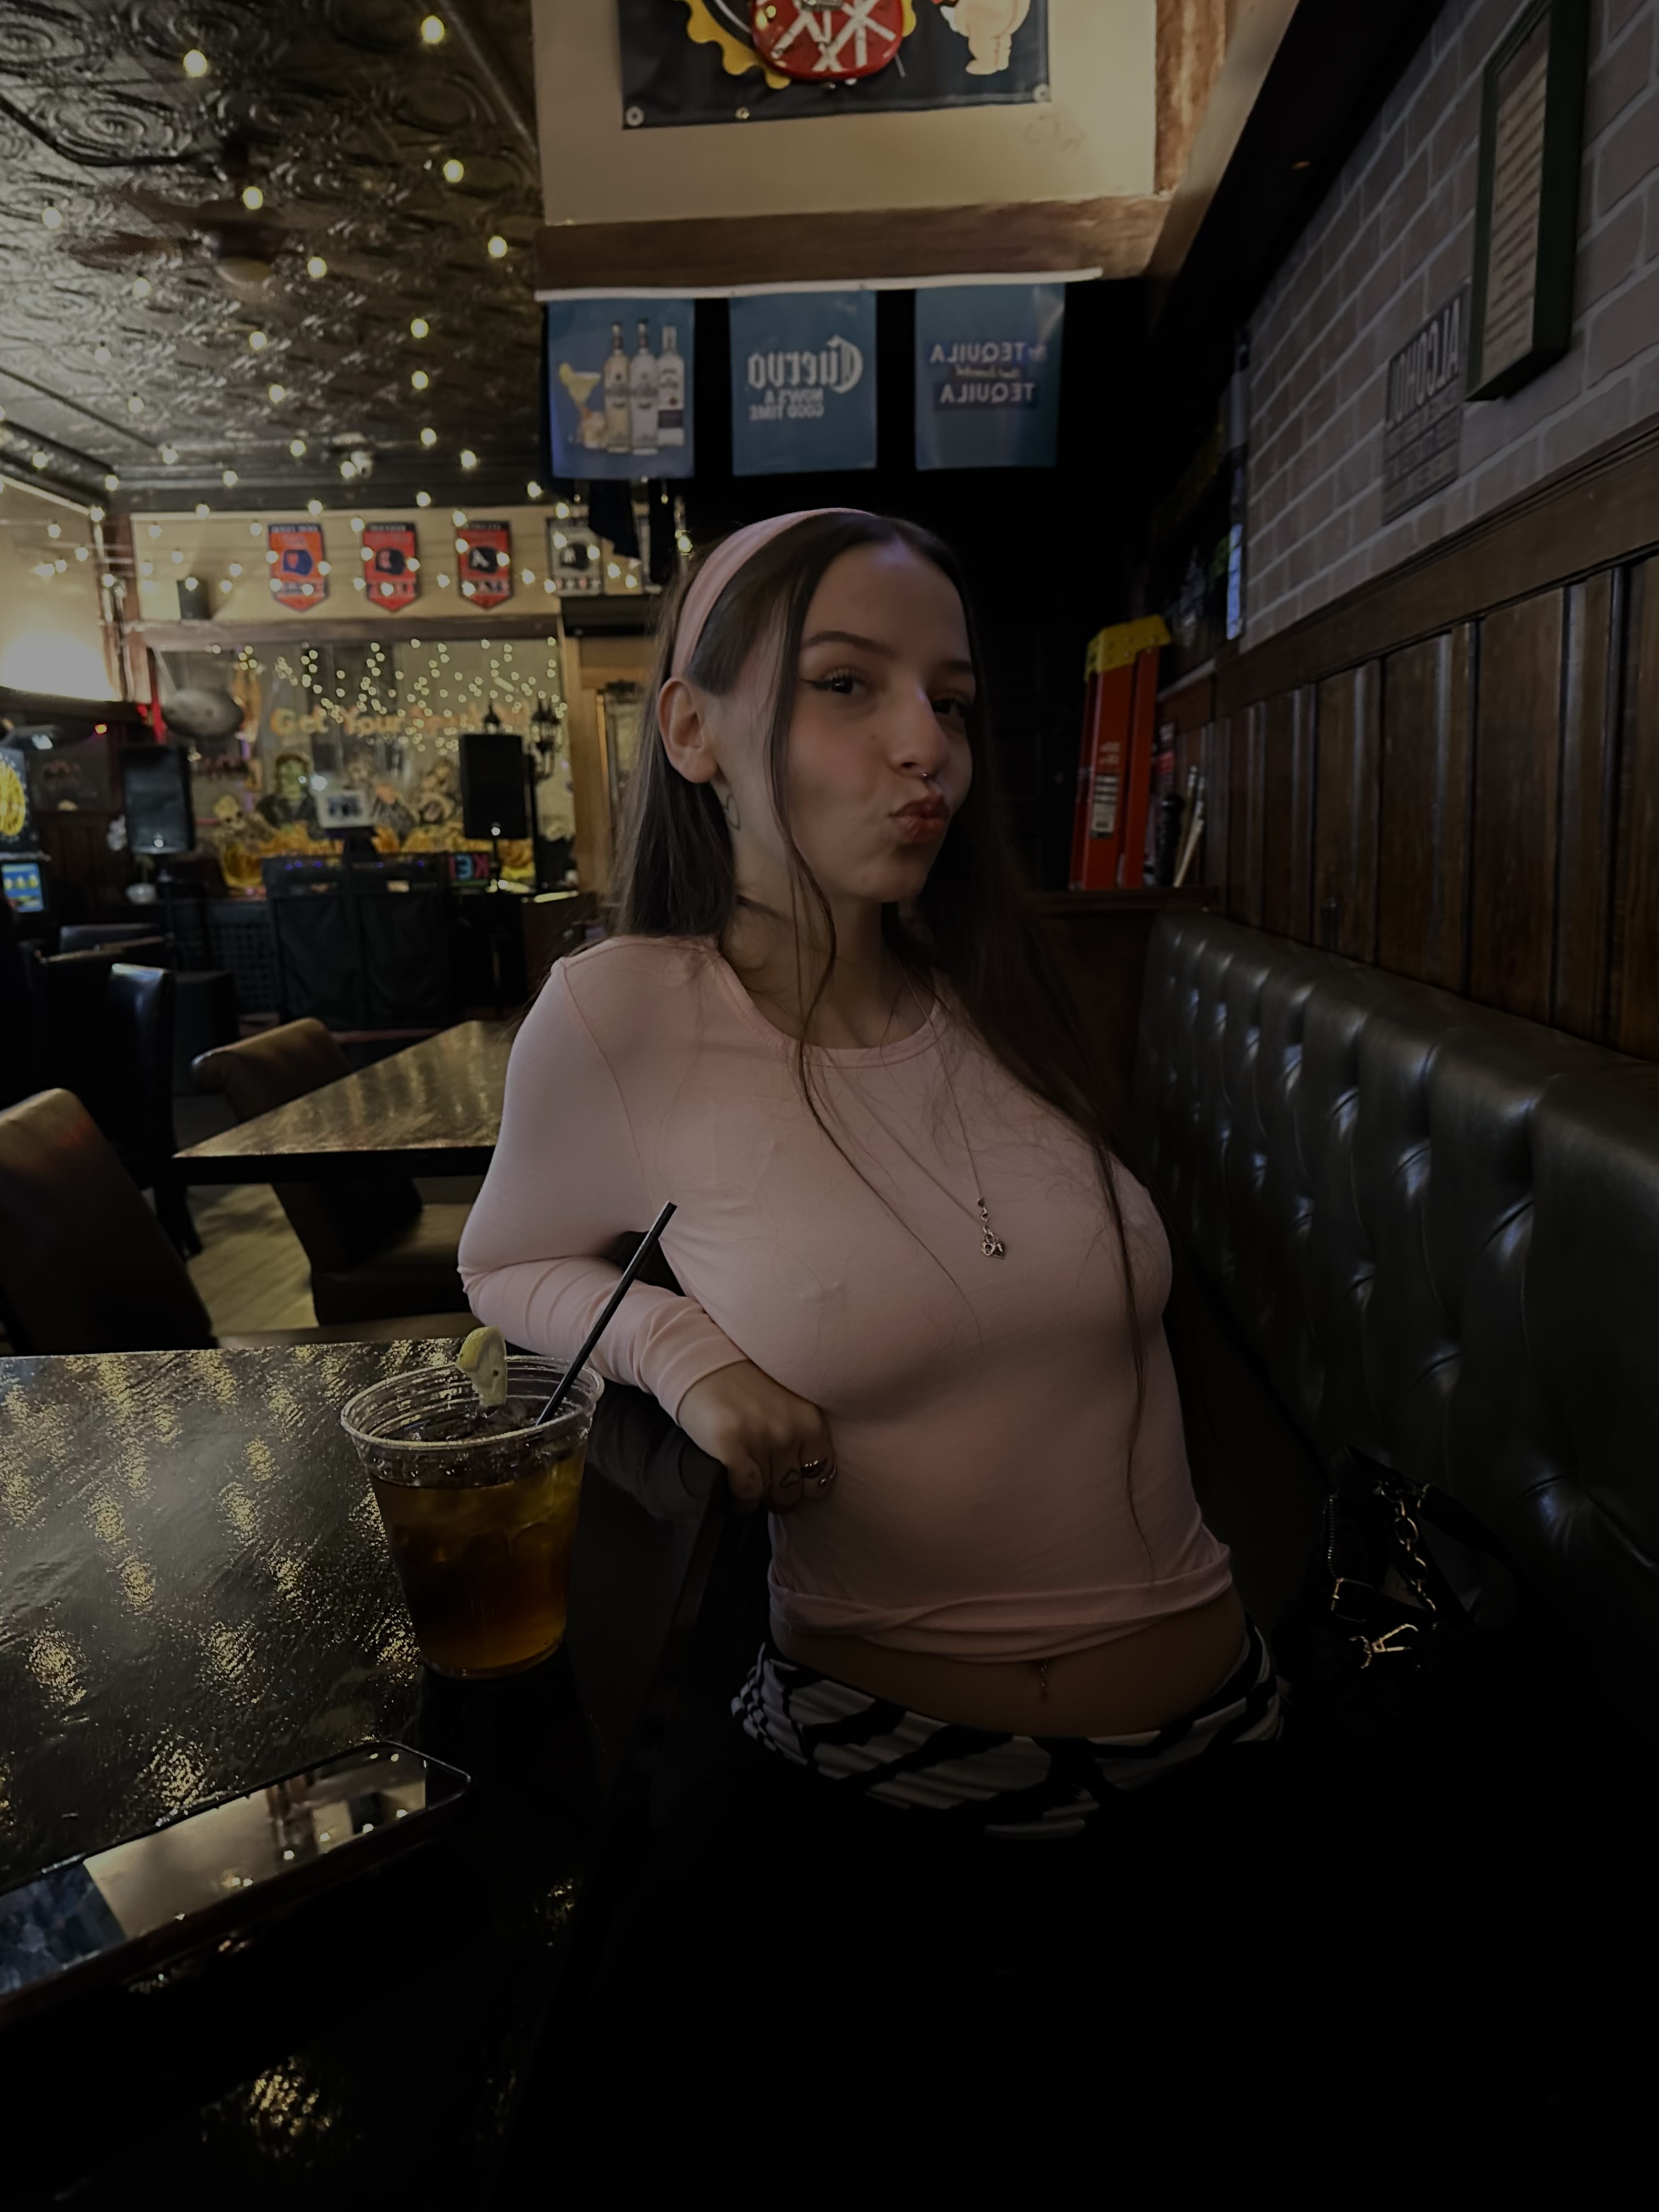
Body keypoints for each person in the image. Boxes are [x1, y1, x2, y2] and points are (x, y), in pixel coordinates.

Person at [459, 512, 1411, 2147]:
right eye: (847, 685)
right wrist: (689, 1360)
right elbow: (508, 1262)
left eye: (954, 703)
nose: (929, 750)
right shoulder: (625, 1013)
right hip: (885, 1777)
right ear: (691, 730)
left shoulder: (1002, 986)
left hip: (1228, 1743)